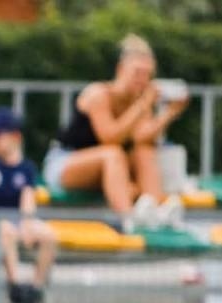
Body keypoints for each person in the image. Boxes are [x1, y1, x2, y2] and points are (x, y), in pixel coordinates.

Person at [44, 34, 188, 228]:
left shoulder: (138, 102)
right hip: (65, 163)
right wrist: (144, 104)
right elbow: (110, 138)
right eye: (137, 73)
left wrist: (170, 113)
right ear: (121, 69)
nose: (143, 80)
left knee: (143, 151)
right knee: (113, 154)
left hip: (109, 169)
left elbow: (142, 137)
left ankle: (156, 213)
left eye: (147, 75)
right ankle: (128, 219)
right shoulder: (98, 94)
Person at [0, 107, 58, 303]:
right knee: (4, 230)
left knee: (48, 236)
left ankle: (35, 288)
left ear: (15, 137)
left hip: (16, 220)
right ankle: (15, 285)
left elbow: (27, 199)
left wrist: (27, 224)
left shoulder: (26, 168)